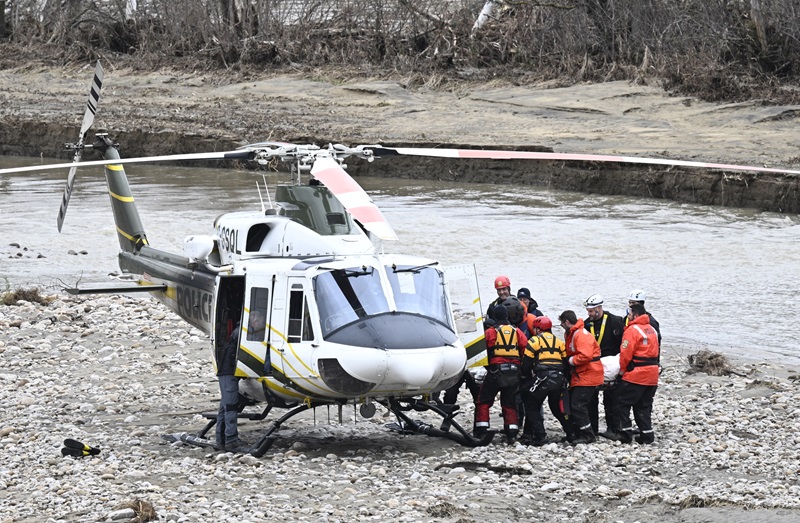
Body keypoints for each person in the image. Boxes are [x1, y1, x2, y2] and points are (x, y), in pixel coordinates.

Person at [474, 304, 528, 443]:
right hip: (514, 372)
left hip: (496, 371)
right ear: (507, 316)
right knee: (510, 403)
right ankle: (511, 433)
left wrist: (486, 367)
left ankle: (481, 431)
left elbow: (482, 352)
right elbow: (525, 350)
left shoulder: (491, 332)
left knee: (484, 401)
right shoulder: (517, 331)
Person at [215, 310, 266, 452]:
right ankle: (231, 440)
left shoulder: (242, 331)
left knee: (224, 406)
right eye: (261, 321)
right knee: (230, 406)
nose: (261, 324)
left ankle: (221, 441)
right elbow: (241, 356)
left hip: (228, 371)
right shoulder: (242, 334)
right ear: (254, 321)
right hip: (228, 372)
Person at [519, 316, 571, 446]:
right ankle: (571, 433)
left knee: (532, 405)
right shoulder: (559, 342)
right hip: (559, 378)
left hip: (543, 377)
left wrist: (525, 377)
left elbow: (526, 365)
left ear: (538, 329)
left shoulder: (534, 341)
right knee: (556, 407)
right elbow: (565, 363)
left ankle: (540, 436)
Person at [614, 303, 660, 444]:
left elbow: (626, 354)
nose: (627, 318)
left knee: (621, 402)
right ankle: (647, 435)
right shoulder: (652, 329)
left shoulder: (632, 330)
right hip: (652, 374)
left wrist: (621, 372)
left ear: (635, 315)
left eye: (629, 315)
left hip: (637, 374)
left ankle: (625, 433)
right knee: (643, 406)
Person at [558, 309, 604, 445]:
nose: (561, 327)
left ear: (567, 322)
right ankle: (580, 432)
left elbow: (586, 355)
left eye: (561, 324)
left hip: (588, 374)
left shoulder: (580, 335)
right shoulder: (574, 333)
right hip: (582, 374)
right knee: (577, 405)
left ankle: (587, 434)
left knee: (578, 405)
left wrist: (570, 361)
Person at [583, 294, 625, 437]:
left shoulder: (615, 321)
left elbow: (623, 345)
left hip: (611, 366)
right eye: (588, 311)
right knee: (590, 399)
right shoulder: (586, 324)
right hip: (593, 367)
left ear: (599, 308)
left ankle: (613, 429)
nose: (589, 314)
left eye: (591, 311)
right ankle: (593, 429)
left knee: (611, 399)